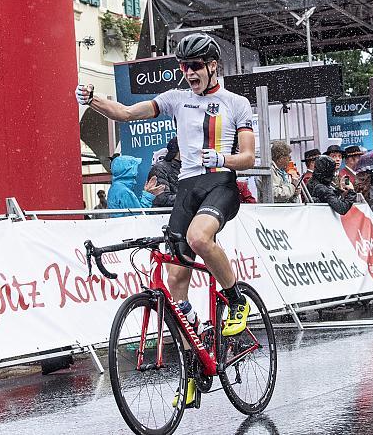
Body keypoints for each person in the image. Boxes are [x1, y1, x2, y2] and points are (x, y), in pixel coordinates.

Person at [76, 33, 255, 406]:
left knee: (200, 238)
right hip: (188, 191)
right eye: (183, 67)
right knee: (175, 281)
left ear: (212, 66)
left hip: (220, 185)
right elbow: (126, 113)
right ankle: (195, 363)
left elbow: (249, 157)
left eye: (194, 66)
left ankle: (236, 300)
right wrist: (92, 100)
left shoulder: (236, 103)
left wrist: (222, 159)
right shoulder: (177, 100)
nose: (188, 73)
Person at [148, 136, 180, 208]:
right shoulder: (160, 168)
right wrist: (191, 197)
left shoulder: (189, 168)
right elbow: (162, 199)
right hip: (164, 216)